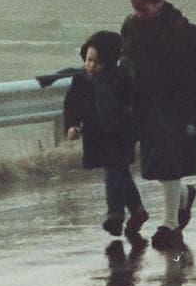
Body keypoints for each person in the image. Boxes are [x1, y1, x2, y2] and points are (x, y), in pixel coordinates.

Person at [119, 0, 196, 250]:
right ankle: (184, 196)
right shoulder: (131, 26)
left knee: (168, 161)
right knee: (155, 166)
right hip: (146, 107)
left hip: (178, 109)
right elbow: (126, 62)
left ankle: (170, 224)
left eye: (144, 7)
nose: (138, 13)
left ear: (161, 1)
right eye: (134, 7)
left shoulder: (183, 33)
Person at [63, 30, 149, 239]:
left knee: (113, 169)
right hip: (96, 135)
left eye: (98, 63)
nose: (91, 66)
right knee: (119, 171)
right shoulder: (82, 80)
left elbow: (133, 103)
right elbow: (72, 105)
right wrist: (72, 125)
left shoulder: (119, 79)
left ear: (110, 62)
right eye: (89, 60)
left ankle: (115, 214)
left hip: (121, 133)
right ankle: (137, 210)